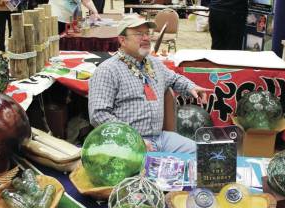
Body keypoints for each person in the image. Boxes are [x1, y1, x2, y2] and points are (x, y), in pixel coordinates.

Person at [88, 15, 211, 155]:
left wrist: (191, 87)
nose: (146, 38)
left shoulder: (153, 63)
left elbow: (175, 79)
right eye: (139, 34)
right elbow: (98, 115)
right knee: (148, 171)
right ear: (122, 40)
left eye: (147, 33)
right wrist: (133, 139)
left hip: (161, 138)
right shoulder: (108, 70)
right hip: (125, 143)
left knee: (201, 153)